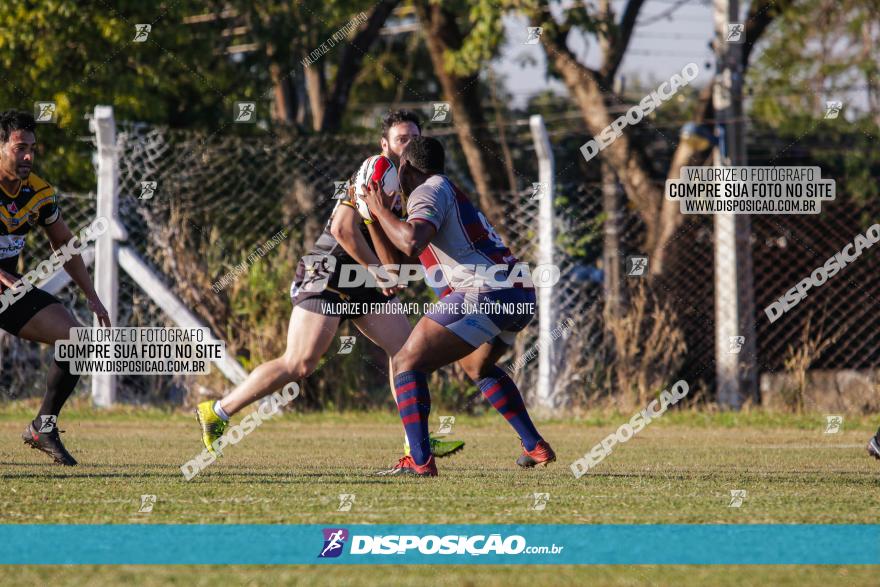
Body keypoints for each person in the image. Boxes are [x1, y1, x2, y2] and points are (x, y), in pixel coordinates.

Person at [194, 111, 465, 459]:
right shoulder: (377, 169)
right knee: (300, 363)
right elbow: (342, 230)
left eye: (414, 138)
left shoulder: (415, 184)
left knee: (406, 354)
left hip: (363, 279)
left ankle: (417, 442)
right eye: (401, 139)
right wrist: (380, 270)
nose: (408, 145)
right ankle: (217, 412)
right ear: (385, 145)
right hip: (328, 272)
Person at [362, 136, 555, 477]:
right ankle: (534, 446)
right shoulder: (441, 190)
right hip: (517, 295)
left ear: (405, 167)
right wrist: (372, 220)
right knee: (476, 368)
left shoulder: (429, 189)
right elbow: (395, 266)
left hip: (485, 290)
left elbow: (411, 240)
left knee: (406, 362)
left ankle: (419, 461)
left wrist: (378, 209)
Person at [0, 110, 111, 465]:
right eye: (20, 148)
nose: (28, 156)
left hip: (7, 291)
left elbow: (65, 245)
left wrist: (92, 296)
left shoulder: (38, 193)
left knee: (76, 339)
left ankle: (43, 427)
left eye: (32, 148)